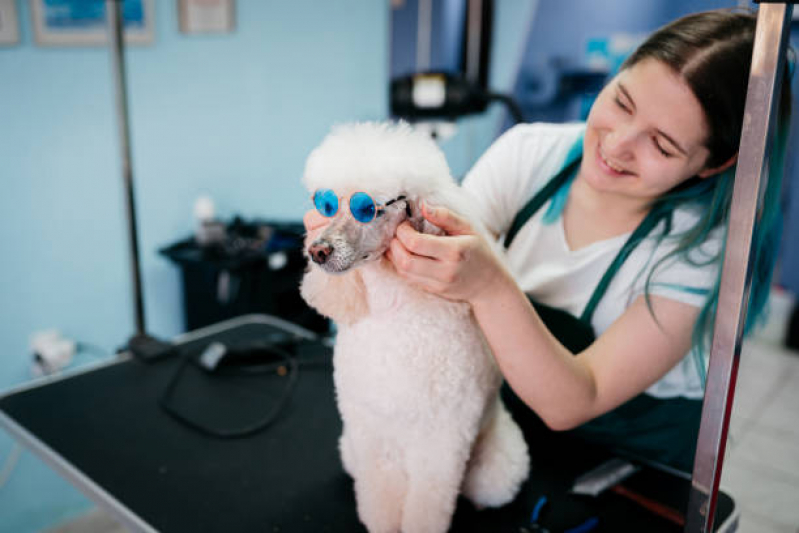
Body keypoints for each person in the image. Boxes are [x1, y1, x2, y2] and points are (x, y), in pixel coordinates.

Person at [305, 9, 793, 473]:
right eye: (621, 102)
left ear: (714, 164)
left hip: (631, 465)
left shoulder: (702, 253)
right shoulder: (530, 152)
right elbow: (428, 270)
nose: (617, 144)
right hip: (506, 424)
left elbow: (577, 399)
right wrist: (363, 241)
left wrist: (489, 286)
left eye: (662, 144)